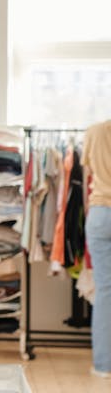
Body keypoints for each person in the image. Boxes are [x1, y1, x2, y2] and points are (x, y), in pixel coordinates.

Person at [84, 119, 111, 377]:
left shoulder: (94, 131)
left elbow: (87, 173)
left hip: (100, 212)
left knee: (105, 290)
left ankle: (103, 365)